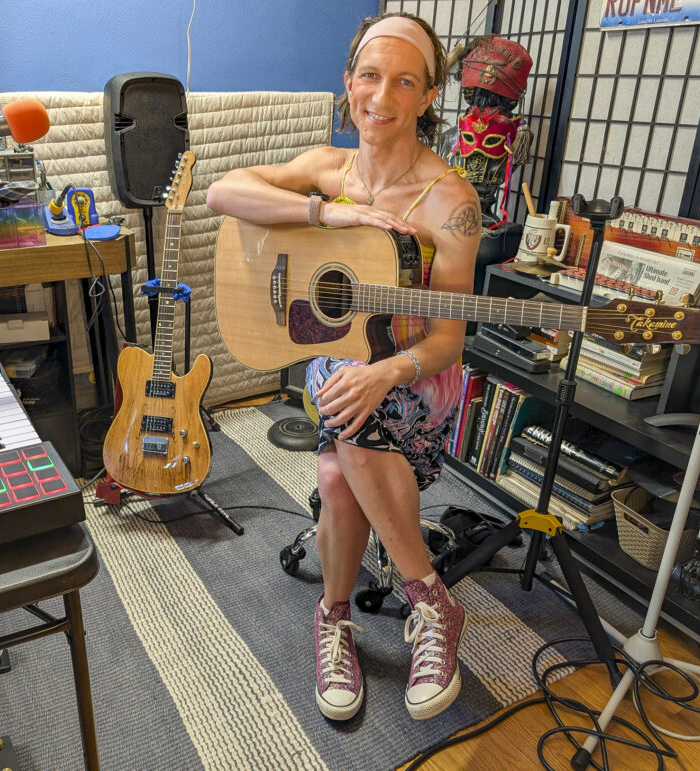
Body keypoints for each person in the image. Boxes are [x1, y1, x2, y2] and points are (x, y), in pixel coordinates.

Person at [206, 11, 481, 722]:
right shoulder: (327, 169)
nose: (381, 96)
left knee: (341, 444)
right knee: (335, 454)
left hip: (415, 376)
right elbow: (220, 193)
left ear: (427, 97)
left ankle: (357, 613)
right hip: (340, 361)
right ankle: (400, 607)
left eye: (404, 81)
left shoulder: (452, 205)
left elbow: (448, 344)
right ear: (348, 82)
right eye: (368, 75)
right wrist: (330, 218)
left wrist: (388, 372)